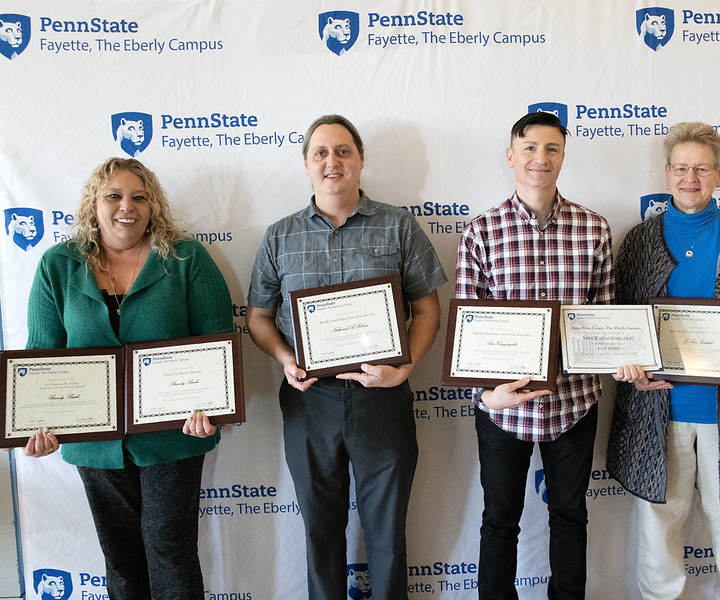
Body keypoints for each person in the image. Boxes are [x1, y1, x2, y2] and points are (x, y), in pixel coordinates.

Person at [246, 114, 446, 600]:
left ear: (360, 160)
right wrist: (285, 359)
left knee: (387, 532)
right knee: (319, 530)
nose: (331, 162)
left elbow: (427, 310)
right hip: (309, 400)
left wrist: (405, 370)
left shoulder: (398, 225)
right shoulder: (279, 236)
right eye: (320, 153)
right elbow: (257, 318)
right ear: (307, 165)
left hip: (382, 399)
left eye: (342, 151)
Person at [24, 157, 234, 600]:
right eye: (113, 196)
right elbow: (42, 356)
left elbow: (217, 342)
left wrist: (214, 408)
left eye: (139, 197)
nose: (127, 207)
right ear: (93, 204)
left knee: (169, 547)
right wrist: (37, 424)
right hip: (94, 441)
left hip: (174, 434)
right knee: (119, 556)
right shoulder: (57, 265)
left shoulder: (185, 258)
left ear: (152, 204)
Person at [606, 122, 720, 600]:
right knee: (658, 529)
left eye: (702, 168)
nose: (692, 177)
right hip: (657, 410)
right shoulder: (639, 240)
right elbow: (618, 318)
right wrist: (631, 364)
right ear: (666, 174)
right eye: (682, 168)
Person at [456, 111, 614, 600]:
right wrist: (488, 396)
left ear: (563, 156)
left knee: (570, 518)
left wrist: (623, 356)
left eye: (551, 149)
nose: (539, 158)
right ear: (511, 155)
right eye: (529, 148)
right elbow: (468, 330)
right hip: (504, 410)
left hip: (574, 404)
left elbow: (605, 316)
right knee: (499, 521)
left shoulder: (594, 228)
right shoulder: (481, 231)